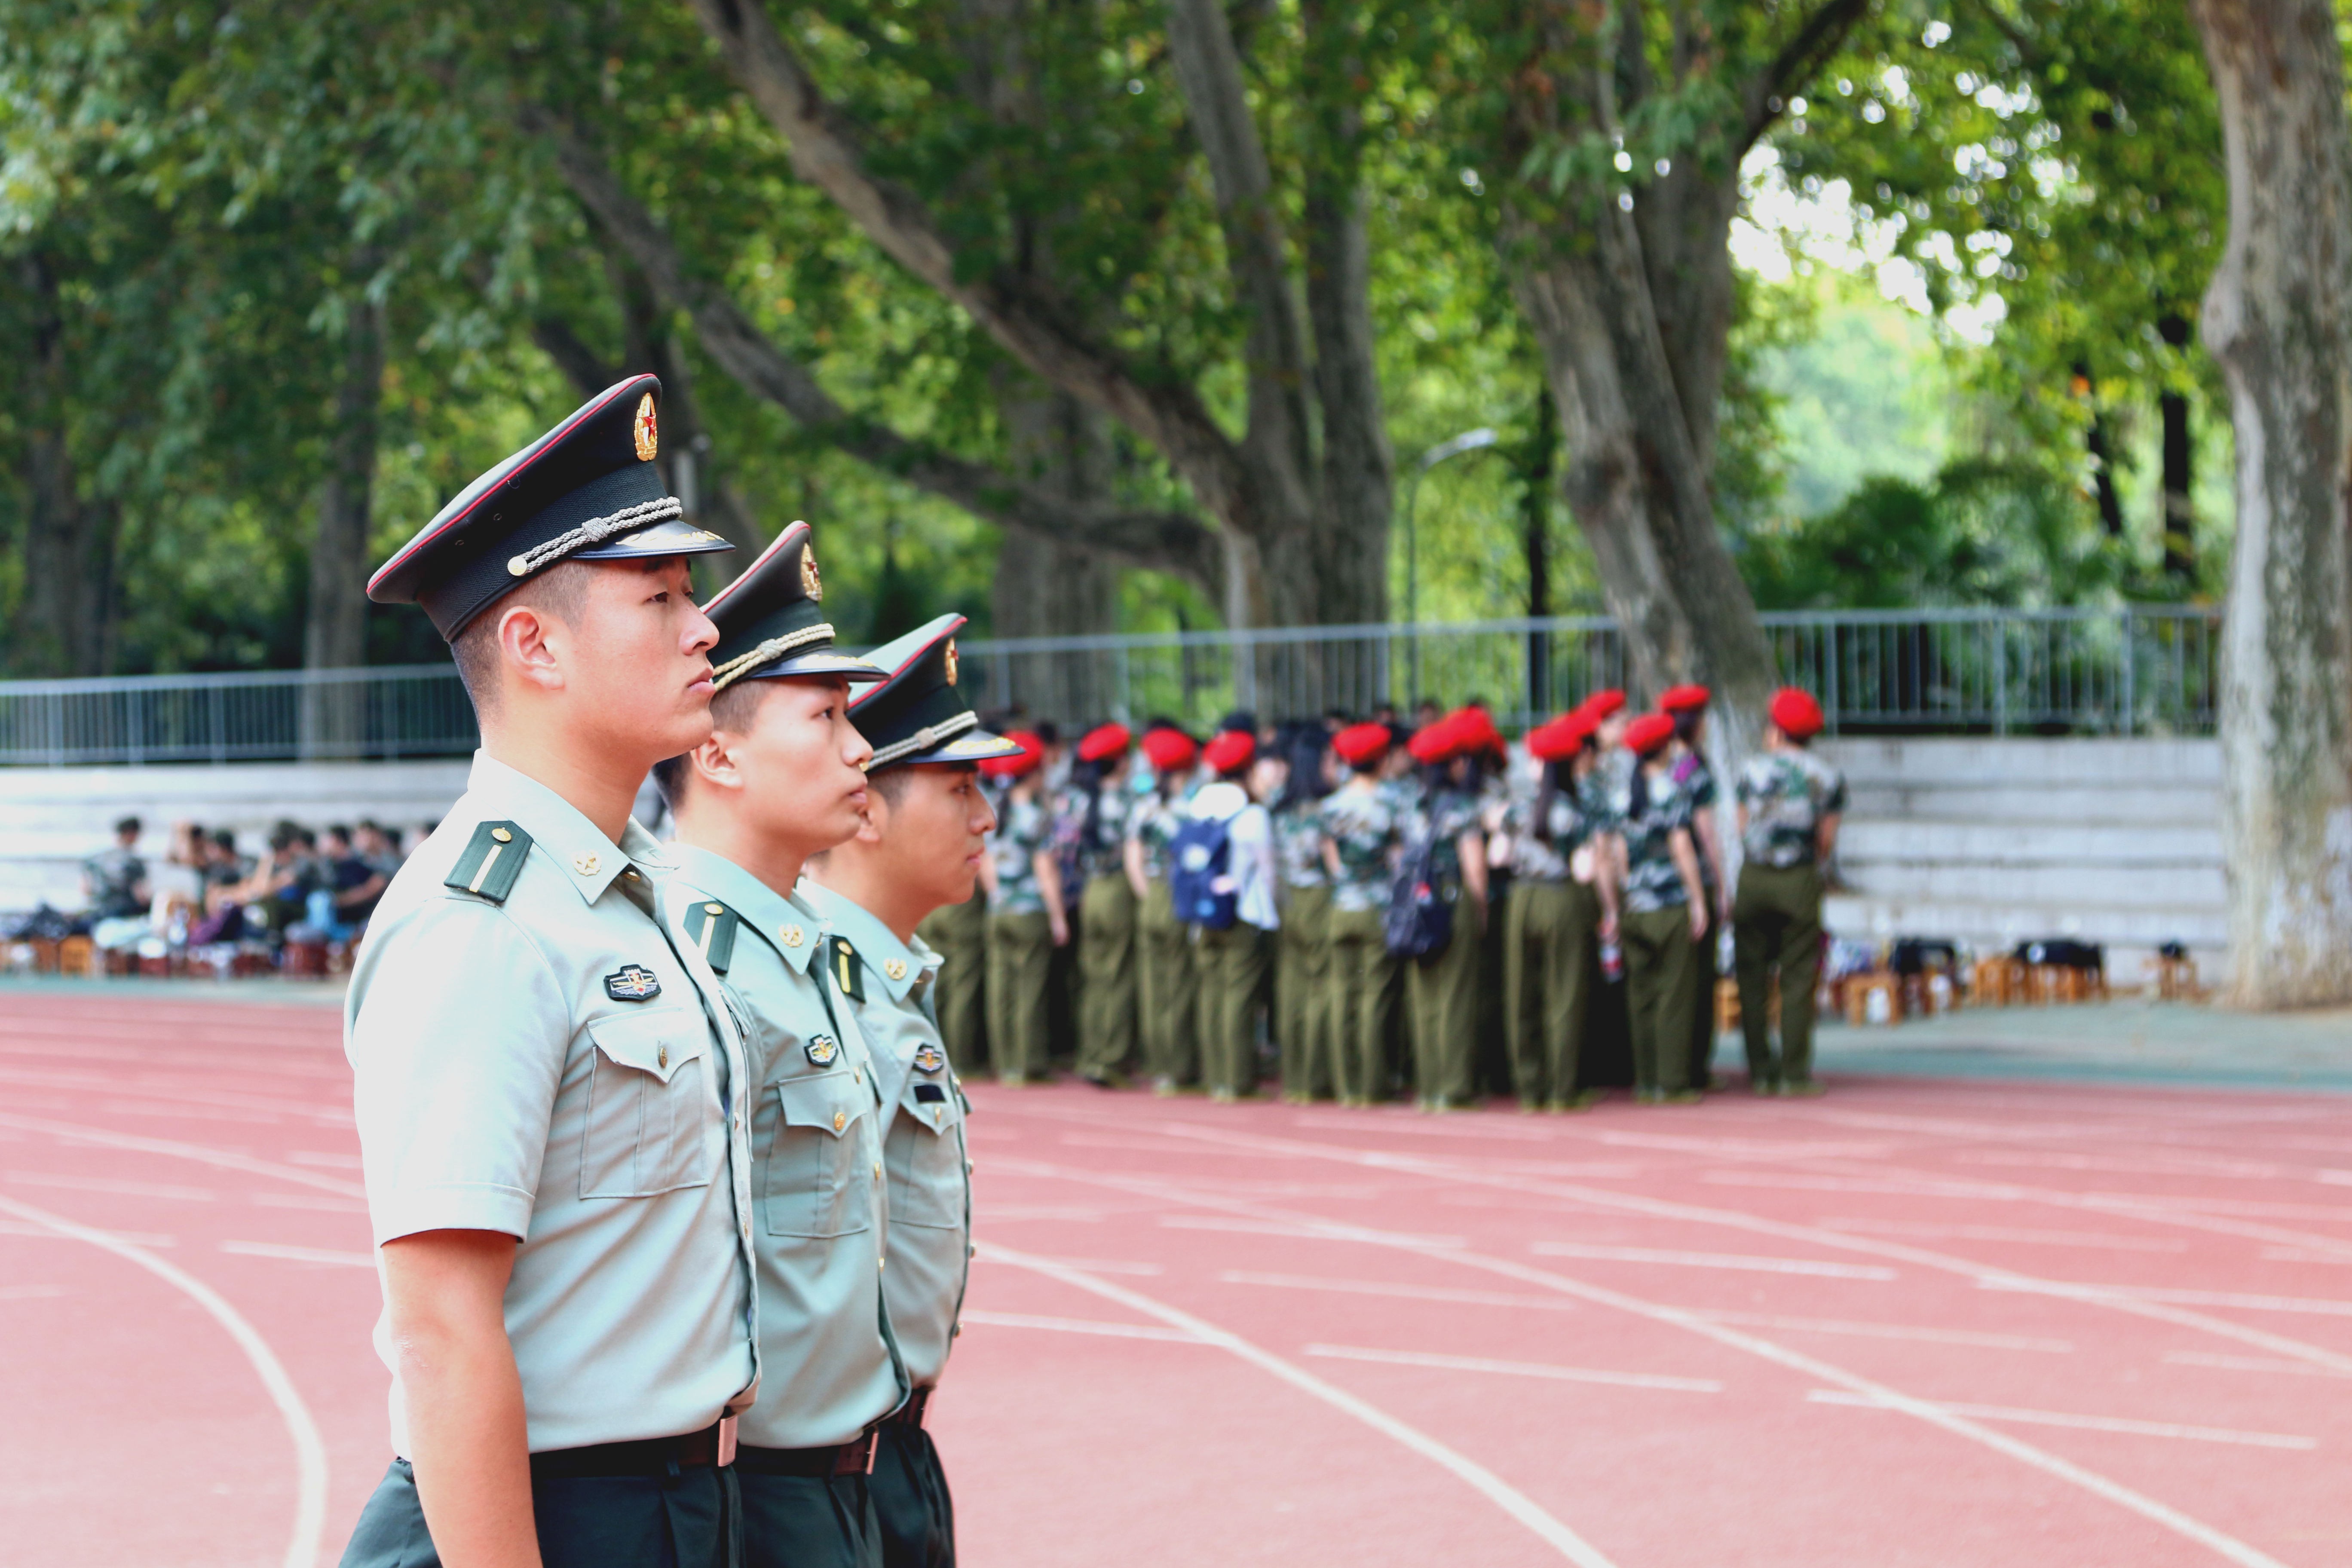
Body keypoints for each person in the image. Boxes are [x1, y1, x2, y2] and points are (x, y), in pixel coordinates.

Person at [338, 374, 754, 1568]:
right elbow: (440, 1331)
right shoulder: (485, 923)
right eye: (660, 597)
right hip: (548, 1518)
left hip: (671, 1504)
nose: (704, 628)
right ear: (534, 645)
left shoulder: (629, 891)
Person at [652, 522, 909, 1568]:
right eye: (827, 716)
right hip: (755, 1490)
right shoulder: (698, 961)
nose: (861, 750)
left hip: (843, 1475)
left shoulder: (798, 947)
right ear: (717, 753)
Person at [805, 614, 1018, 1568]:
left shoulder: (883, 978)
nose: (986, 818)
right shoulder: (823, 992)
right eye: (960, 787)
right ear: (867, 810)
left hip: (894, 1447)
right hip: (831, 1460)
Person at [1733, 687, 1846, 1096]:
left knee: (1752, 975)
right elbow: (1827, 839)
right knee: (1798, 977)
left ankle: (1760, 1069)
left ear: (1778, 730)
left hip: (1755, 876)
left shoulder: (1751, 769)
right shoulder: (1827, 777)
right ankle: (1794, 1072)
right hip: (1799, 878)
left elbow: (1741, 825)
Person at [1504, 711, 1615, 1110]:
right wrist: (1609, 908)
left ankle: (1529, 1088)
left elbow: (1500, 855)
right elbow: (1586, 869)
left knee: (1522, 994)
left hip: (1522, 899)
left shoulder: (1518, 808)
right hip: (1562, 898)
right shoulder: (1575, 812)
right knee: (1564, 994)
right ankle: (1561, 1089)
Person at [1616, 711, 1709, 1105]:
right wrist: (1698, 899)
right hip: (1669, 905)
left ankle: (1646, 1080)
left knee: (1641, 996)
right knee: (1674, 995)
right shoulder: (1672, 791)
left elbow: (1616, 854)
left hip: (1634, 906)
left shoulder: (1621, 795)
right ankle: (1672, 1082)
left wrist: (1623, 896)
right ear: (1665, 748)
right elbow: (1683, 848)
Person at [1402, 710, 1492, 1112]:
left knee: (1424, 997)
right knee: (1455, 995)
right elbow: (1474, 865)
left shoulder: (1410, 806)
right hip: (1452, 899)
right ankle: (1453, 1087)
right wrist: (1481, 907)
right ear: (1454, 765)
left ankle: (1429, 1085)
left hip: (1416, 901)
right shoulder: (1462, 807)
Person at [1186, 729, 1280, 1100]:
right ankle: (1238, 1080)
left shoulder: (1197, 806)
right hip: (1242, 912)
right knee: (1239, 998)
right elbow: (1268, 870)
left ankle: (1214, 1076)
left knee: (1211, 994)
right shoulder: (1253, 813)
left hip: (1202, 912)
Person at [1320, 721, 1403, 1105]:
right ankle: (1373, 1085)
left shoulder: (1330, 806)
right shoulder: (1391, 803)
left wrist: (1346, 880)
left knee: (1342, 994)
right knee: (1375, 996)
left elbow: (1330, 858)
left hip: (1341, 906)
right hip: (1377, 908)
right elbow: (1400, 858)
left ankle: (1346, 1084)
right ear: (1382, 761)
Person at [979, 731, 1063, 1084]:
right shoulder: (1037, 815)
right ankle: (1030, 1064)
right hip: (1030, 910)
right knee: (1030, 989)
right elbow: (1045, 869)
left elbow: (984, 862)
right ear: (1033, 775)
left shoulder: (991, 810)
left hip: (998, 910)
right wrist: (1058, 917)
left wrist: (997, 896)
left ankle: (1005, 1062)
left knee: (1001, 989)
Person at [1126, 725, 1202, 1094]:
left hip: (1151, 896)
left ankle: (1157, 1064)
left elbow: (1133, 858)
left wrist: (1147, 895)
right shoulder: (1192, 808)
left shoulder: (1143, 807)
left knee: (1153, 986)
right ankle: (1178, 1068)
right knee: (1179, 985)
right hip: (1179, 896)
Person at [1063, 723, 1138, 1087]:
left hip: (1089, 890)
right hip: (1117, 888)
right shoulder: (1128, 801)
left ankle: (1090, 1055)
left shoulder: (1077, 800)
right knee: (1117, 976)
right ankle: (1112, 1060)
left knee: (1093, 976)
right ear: (1120, 762)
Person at [1661, 684, 1727, 1091]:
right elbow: (1706, 833)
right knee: (1698, 982)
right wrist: (1721, 883)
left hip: (1652, 887)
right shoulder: (1694, 771)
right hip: (1691, 881)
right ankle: (1694, 1067)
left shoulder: (1651, 765)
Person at [1271, 726, 1336, 1102]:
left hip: (1288, 899)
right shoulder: (1326, 811)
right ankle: (1317, 1076)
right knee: (1321, 987)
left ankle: (1294, 1077)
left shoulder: (1280, 808)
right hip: (1318, 897)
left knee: (1292, 989)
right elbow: (1336, 866)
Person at [83, 816, 150, 952]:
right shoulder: (133, 862)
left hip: (99, 918)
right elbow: (141, 896)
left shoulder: (95, 859)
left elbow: (86, 889)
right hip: (126, 919)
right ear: (132, 834)